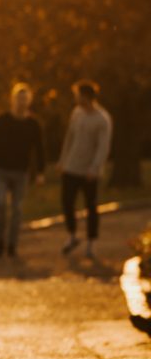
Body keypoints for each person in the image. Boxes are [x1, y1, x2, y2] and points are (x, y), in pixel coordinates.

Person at [0, 82, 45, 258]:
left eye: (25, 100)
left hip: (21, 172)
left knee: (17, 209)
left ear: (29, 102)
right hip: (1, 170)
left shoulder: (33, 124)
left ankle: (12, 244)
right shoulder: (1, 121)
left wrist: (40, 172)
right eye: (19, 99)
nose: (21, 103)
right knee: (0, 205)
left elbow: (39, 149)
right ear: (13, 100)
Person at [59, 80, 113, 261]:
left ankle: (91, 242)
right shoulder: (77, 114)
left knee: (91, 207)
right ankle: (73, 235)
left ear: (86, 96)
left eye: (77, 95)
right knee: (67, 202)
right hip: (71, 167)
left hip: (90, 171)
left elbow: (103, 147)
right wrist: (63, 159)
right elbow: (69, 137)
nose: (76, 98)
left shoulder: (102, 119)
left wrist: (94, 167)